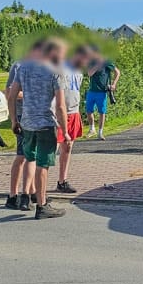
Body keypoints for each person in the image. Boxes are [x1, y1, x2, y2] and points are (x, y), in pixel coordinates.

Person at [7, 39, 70, 219]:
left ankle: (28, 196)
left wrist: (14, 120)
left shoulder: (24, 68)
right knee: (43, 165)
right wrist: (65, 131)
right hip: (45, 124)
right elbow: (60, 106)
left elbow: (11, 96)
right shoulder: (56, 72)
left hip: (27, 124)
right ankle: (42, 206)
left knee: (30, 158)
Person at [4, 41, 43, 210]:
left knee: (31, 156)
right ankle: (13, 195)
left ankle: (32, 192)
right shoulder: (18, 66)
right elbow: (9, 92)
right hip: (21, 116)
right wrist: (31, 94)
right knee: (22, 156)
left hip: (35, 117)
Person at [56, 46, 88, 194]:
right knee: (51, 151)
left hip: (73, 112)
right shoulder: (61, 69)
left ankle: (62, 181)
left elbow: (75, 91)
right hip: (59, 113)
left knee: (68, 147)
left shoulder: (79, 72)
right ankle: (37, 187)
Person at [85, 47, 120, 140]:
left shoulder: (107, 62)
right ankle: (92, 129)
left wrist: (114, 84)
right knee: (89, 110)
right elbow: (89, 73)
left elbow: (117, 72)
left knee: (102, 112)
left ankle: (100, 133)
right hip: (91, 90)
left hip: (102, 91)